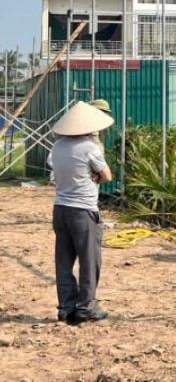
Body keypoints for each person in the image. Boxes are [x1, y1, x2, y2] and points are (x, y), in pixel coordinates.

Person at [49, 101, 114, 324]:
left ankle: (66, 308)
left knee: (64, 262)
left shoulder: (57, 147)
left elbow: (56, 173)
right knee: (89, 261)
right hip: (83, 210)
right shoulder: (89, 148)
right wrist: (94, 176)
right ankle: (86, 307)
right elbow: (107, 176)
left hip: (60, 209)